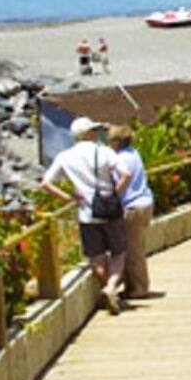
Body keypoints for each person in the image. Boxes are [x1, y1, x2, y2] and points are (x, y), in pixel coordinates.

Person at [40, 118, 126, 313]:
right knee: (118, 251)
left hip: (86, 212)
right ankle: (111, 287)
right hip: (110, 209)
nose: (96, 133)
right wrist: (115, 193)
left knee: (97, 256)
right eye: (94, 130)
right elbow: (126, 174)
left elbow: (46, 183)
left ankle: (107, 288)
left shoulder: (65, 156)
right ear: (88, 133)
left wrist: (69, 198)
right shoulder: (104, 151)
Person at [108, 125, 157, 300]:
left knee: (132, 249)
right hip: (145, 203)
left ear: (116, 141)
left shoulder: (120, 159)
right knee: (134, 247)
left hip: (132, 207)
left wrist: (111, 196)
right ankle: (131, 286)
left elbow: (120, 181)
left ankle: (139, 288)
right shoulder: (133, 153)